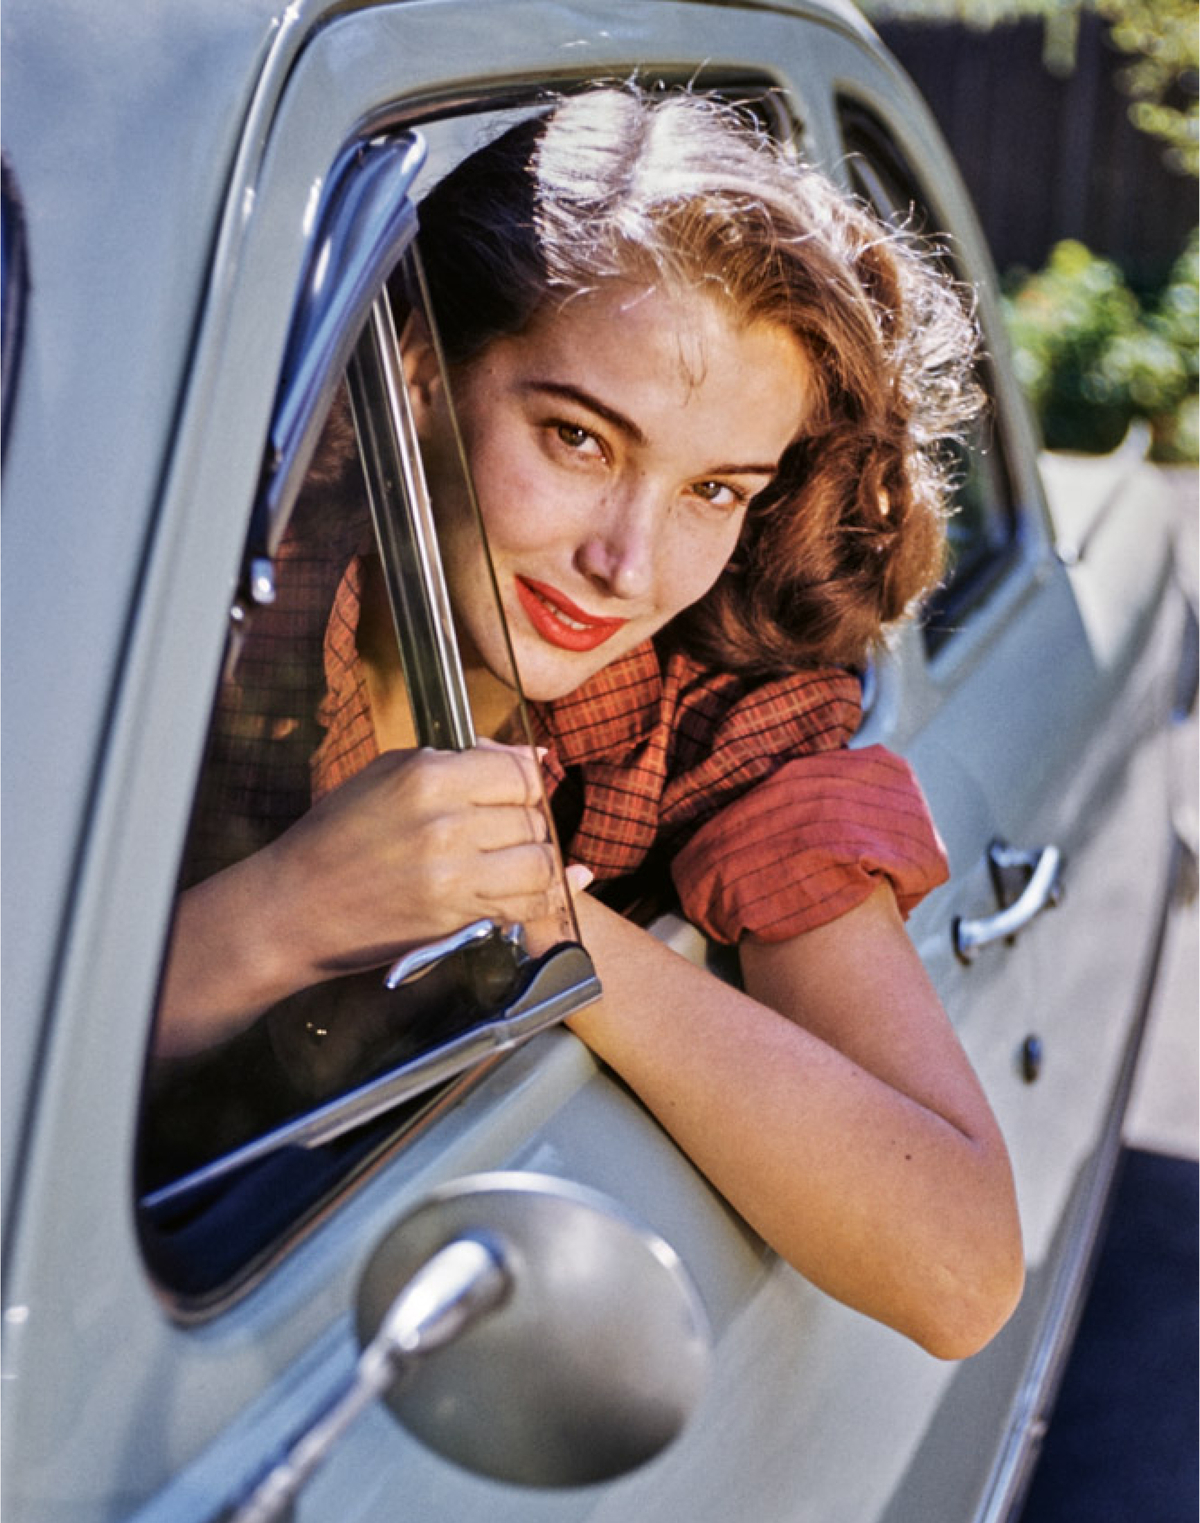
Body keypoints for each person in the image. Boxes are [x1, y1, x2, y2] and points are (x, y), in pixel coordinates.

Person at [156, 86, 1023, 1357]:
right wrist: (288, 913)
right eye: (577, 437)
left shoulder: (717, 711)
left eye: (714, 489)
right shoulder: (195, 622)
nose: (629, 564)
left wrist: (553, 933)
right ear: (417, 375)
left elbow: (957, 1269)